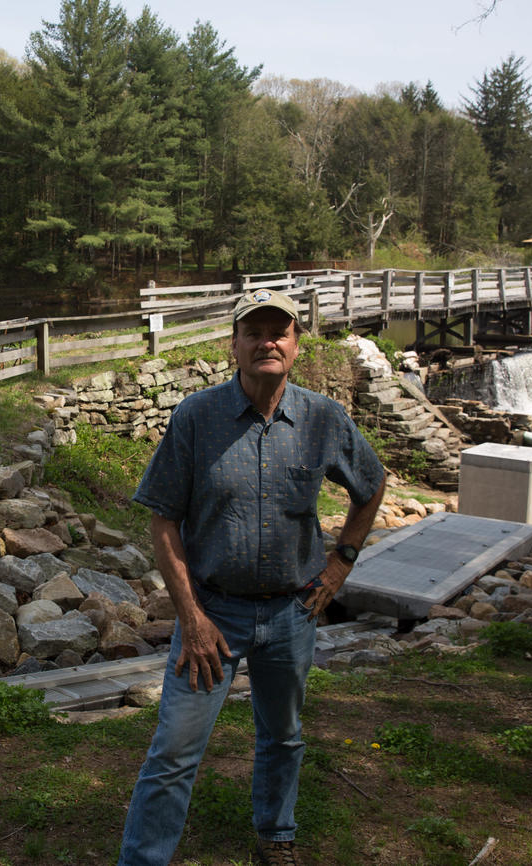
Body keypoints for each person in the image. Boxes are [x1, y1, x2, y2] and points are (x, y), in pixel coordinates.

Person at [118, 288, 387, 866]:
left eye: (280, 332)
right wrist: (191, 618)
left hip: (294, 613)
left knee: (284, 736)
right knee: (173, 752)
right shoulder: (197, 417)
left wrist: (341, 563)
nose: (268, 341)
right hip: (213, 614)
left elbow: (371, 484)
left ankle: (277, 835)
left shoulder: (322, 418)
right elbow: (163, 518)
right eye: (255, 332)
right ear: (234, 344)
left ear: (295, 344)